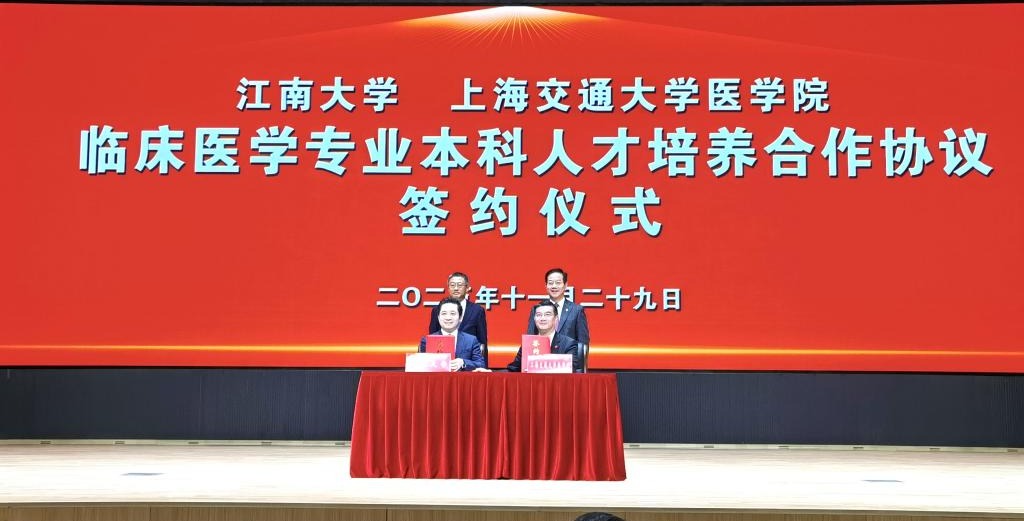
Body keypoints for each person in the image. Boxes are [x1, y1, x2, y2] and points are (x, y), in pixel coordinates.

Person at [428, 271, 489, 364]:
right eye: (452, 285)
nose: (456, 288)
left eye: (460, 285)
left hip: (468, 362)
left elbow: (482, 342)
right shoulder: (437, 309)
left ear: (467, 288)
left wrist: (483, 367)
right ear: (448, 288)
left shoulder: (477, 310)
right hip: (441, 361)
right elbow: (433, 336)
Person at [526, 267, 590, 352]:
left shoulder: (576, 310)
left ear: (565, 285)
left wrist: (579, 360)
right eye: (550, 283)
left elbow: (583, 344)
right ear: (546, 286)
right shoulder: (537, 309)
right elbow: (531, 338)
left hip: (568, 359)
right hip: (542, 358)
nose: (554, 286)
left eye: (558, 283)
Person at [507, 299, 580, 372]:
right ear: (534, 319)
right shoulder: (528, 343)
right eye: (538, 315)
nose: (542, 318)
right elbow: (513, 369)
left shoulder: (568, 344)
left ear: (556, 318)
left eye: (547, 314)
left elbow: (570, 370)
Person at [419, 297, 485, 371]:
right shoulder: (427, 341)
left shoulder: (471, 340)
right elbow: (420, 365)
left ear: (460, 317)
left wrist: (463, 362)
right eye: (444, 313)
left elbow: (481, 364)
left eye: (452, 313)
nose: (448, 318)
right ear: (438, 317)